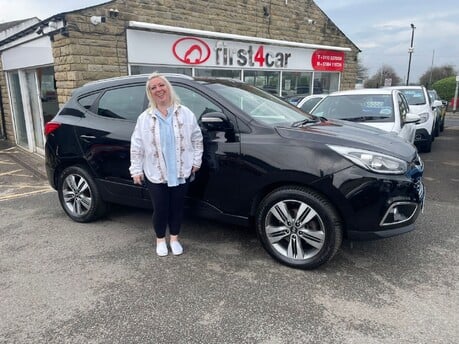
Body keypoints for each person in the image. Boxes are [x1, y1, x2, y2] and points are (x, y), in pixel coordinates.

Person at [130, 72, 203, 256]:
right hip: (155, 172)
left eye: (161, 85)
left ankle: (175, 239)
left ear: (168, 87)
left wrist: (196, 161)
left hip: (180, 170)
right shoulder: (145, 118)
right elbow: (137, 146)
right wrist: (136, 169)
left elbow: (197, 139)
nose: (158, 90)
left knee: (177, 208)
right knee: (161, 208)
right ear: (150, 93)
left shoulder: (185, 114)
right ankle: (160, 240)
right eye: (153, 88)